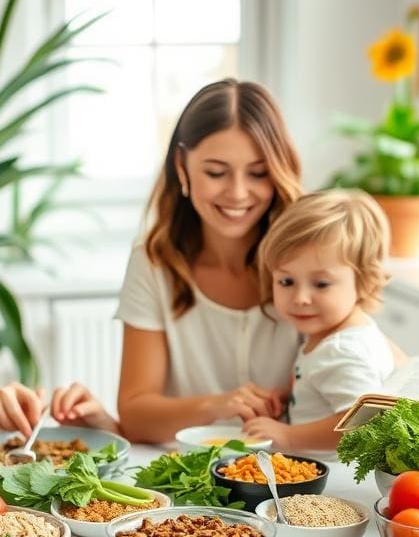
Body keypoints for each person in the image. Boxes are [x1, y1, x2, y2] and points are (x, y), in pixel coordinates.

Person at [116, 79, 303, 443]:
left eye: (258, 173)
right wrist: (218, 406)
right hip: (190, 473)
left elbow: (364, 351)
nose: (237, 192)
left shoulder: (312, 255)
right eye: (216, 172)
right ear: (182, 167)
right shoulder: (154, 263)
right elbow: (135, 416)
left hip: (298, 472)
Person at [240, 189, 398, 451]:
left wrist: (289, 435)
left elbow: (363, 423)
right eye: (286, 281)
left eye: (321, 284)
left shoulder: (341, 350)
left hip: (333, 481)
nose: (301, 298)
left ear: (364, 282)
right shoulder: (341, 335)